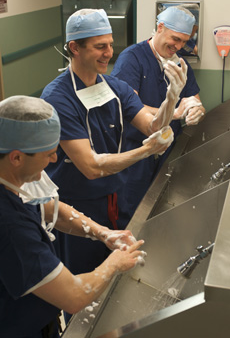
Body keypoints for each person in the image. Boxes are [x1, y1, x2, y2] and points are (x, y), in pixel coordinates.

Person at [40, 8, 187, 277]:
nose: (109, 52)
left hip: (114, 198)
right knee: (83, 276)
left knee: (113, 270)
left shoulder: (114, 86)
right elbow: (91, 167)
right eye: (100, 47)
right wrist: (145, 151)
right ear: (75, 47)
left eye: (109, 44)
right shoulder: (58, 97)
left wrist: (171, 99)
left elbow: (152, 126)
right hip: (77, 206)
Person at [0, 95, 147, 338]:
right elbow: (74, 296)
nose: (55, 159)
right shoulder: (10, 226)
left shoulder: (12, 178)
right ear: (16, 157)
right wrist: (115, 263)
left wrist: (103, 233)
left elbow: (48, 209)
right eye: (48, 154)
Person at [111, 6, 206, 219]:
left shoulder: (180, 63)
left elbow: (194, 100)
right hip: (136, 149)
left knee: (161, 207)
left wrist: (195, 110)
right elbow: (129, 106)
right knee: (131, 210)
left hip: (168, 148)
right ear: (160, 27)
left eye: (184, 41)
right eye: (175, 39)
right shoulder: (132, 58)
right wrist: (173, 112)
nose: (179, 46)